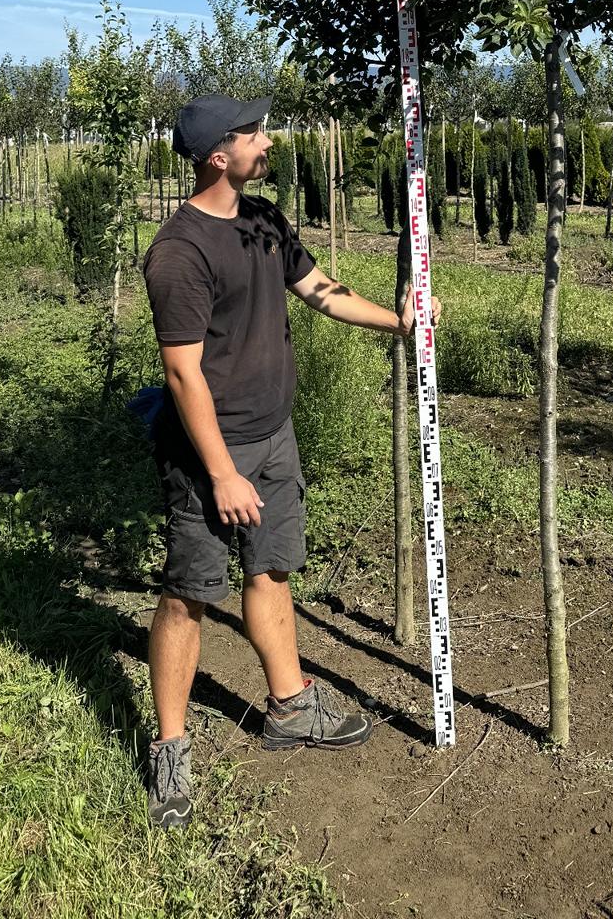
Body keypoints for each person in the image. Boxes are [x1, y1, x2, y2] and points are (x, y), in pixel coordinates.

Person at [141, 93, 437, 830]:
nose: (266, 140)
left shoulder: (263, 220)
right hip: (211, 454)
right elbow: (182, 375)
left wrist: (398, 322)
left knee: (270, 570)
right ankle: (170, 750)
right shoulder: (179, 253)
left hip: (273, 437)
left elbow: (320, 292)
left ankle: (289, 707)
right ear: (218, 155)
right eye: (252, 133)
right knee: (189, 595)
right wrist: (220, 473)